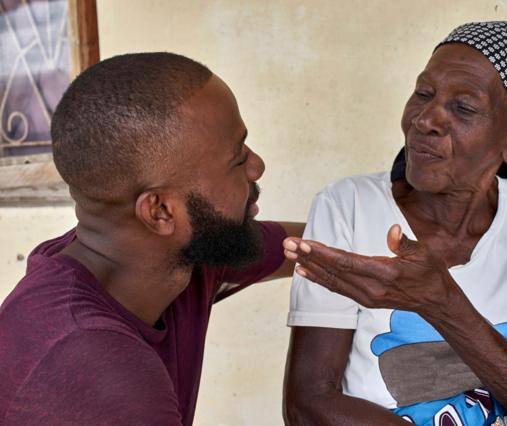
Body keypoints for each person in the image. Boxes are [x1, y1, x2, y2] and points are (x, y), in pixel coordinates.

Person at [284, 21, 507, 425]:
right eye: (423, 93)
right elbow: (308, 405)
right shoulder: (346, 206)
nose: (425, 119)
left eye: (463, 108)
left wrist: (439, 301)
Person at [0, 53, 303, 425]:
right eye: (238, 159)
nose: (257, 166)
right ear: (160, 211)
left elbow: (309, 247)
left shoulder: (166, 256)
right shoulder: (95, 370)